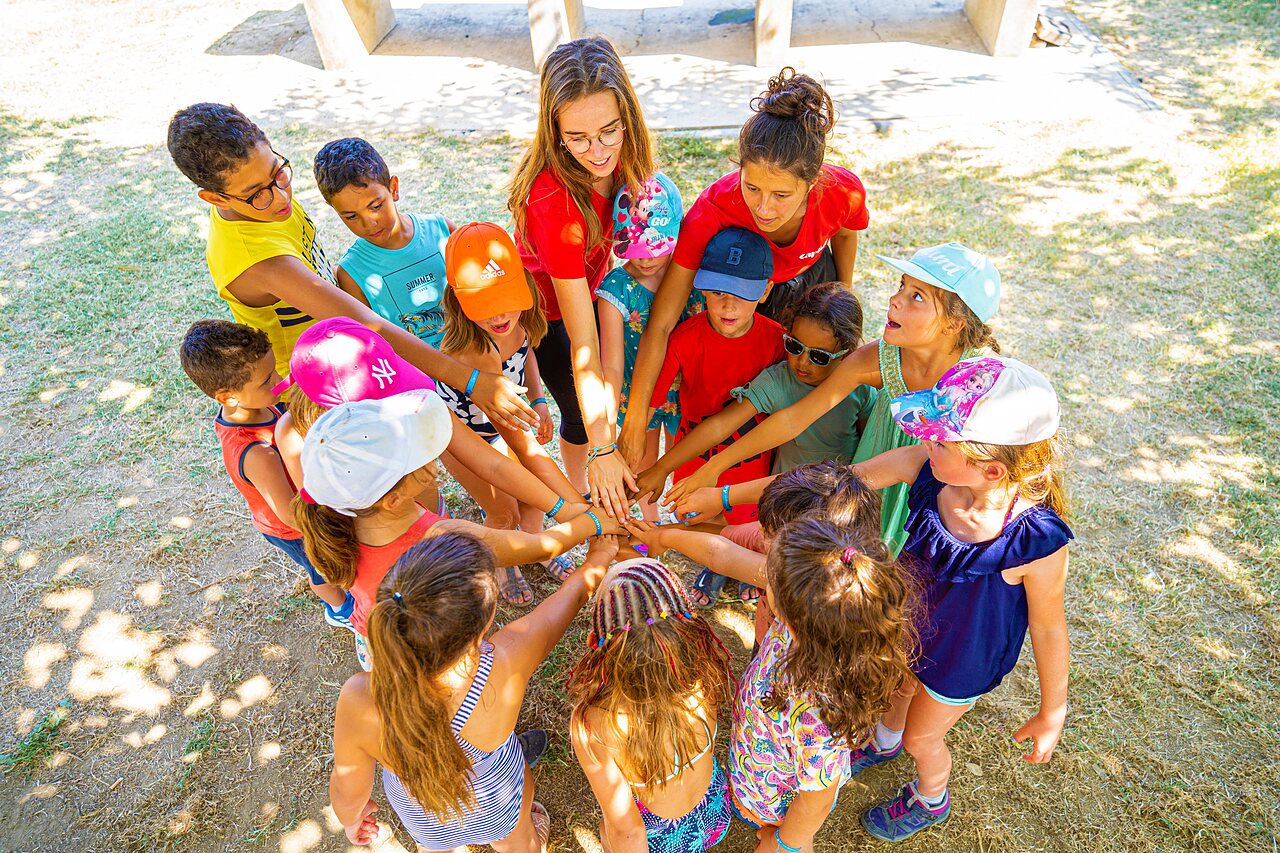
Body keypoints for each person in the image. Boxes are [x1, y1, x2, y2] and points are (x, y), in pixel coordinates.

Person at [166, 103, 536, 432]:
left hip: (345, 355)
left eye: (278, 174)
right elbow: (361, 318)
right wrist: (471, 381)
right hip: (317, 386)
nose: (282, 197)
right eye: (259, 193)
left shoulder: (264, 202)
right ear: (214, 198)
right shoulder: (255, 258)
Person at [847, 356, 1073, 841]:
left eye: (938, 439)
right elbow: (851, 478)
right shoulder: (929, 473)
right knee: (896, 688)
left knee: (922, 736)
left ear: (991, 470)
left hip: (962, 660)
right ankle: (883, 742)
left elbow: (1049, 627)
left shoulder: (1035, 541)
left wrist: (1052, 712)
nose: (924, 443)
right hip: (907, 626)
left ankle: (931, 796)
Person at [622, 478, 915, 853]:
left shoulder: (816, 713)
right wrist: (663, 538)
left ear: (793, 615)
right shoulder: (816, 609)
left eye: (770, 578)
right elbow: (722, 557)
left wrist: (784, 842)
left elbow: (816, 799)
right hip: (758, 767)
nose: (763, 575)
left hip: (777, 801)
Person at [663, 242, 1000, 555]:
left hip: (938, 492)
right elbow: (795, 418)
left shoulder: (980, 378)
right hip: (870, 483)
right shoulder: (880, 358)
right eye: (901, 286)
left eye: (918, 297)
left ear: (955, 324)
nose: (895, 300)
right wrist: (714, 469)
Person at [621, 68, 870, 470]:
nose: (763, 208)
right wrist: (635, 418)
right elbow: (663, 321)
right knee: (753, 401)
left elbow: (844, 234)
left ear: (813, 182)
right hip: (749, 289)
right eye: (751, 187)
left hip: (810, 284)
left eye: (781, 194)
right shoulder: (712, 210)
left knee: (815, 389)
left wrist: (842, 291)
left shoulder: (842, 192)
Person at [329, 530, 621, 850]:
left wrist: (352, 819)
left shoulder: (359, 698)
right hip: (497, 803)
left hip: (423, 819)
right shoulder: (506, 660)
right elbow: (571, 597)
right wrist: (601, 556)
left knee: (436, 844)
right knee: (519, 841)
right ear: (482, 626)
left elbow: (347, 788)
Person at [292, 389, 621, 669]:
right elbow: (539, 547)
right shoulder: (443, 537)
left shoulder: (338, 521)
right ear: (392, 499)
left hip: (380, 648)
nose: (431, 457)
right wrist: (591, 522)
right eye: (418, 455)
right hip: (439, 653)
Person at [270, 318, 590, 586]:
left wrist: (564, 510)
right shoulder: (297, 440)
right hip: (389, 560)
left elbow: (491, 464)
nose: (434, 467)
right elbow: (325, 519)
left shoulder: (403, 408)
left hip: (421, 513)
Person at [507, 36, 656, 515]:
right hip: (546, 313)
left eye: (610, 130)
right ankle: (590, 496)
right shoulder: (552, 204)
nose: (597, 152)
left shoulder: (627, 156)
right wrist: (602, 448)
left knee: (610, 396)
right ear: (554, 133)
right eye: (577, 139)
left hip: (595, 286)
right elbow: (582, 343)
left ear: (627, 117)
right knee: (578, 409)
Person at [634, 281, 872, 532]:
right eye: (794, 346)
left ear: (845, 353)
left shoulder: (861, 390)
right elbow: (720, 424)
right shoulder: (780, 380)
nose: (802, 362)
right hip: (785, 502)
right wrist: (662, 467)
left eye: (819, 357)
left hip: (840, 503)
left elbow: (869, 448)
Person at [436, 221, 579, 603]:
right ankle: (504, 560)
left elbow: (526, 354)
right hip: (469, 438)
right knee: (503, 510)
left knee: (533, 499)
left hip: (509, 422)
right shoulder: (476, 348)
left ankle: (532, 545)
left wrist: (537, 400)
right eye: (485, 306)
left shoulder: (522, 320)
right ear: (458, 301)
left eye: (506, 299)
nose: (500, 316)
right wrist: (570, 504)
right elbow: (510, 435)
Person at [177, 319, 352, 630]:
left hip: (306, 499)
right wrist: (339, 521)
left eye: (274, 369)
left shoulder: (261, 403)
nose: (280, 380)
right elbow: (292, 516)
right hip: (296, 527)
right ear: (227, 397)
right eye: (266, 379)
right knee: (323, 570)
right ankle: (341, 610)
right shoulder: (257, 453)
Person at [648, 228, 786, 604]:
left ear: (766, 290)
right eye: (718, 293)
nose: (729, 307)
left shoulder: (777, 341)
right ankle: (717, 563)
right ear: (701, 288)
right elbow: (653, 401)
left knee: (748, 514)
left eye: (742, 296)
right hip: (694, 447)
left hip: (750, 453)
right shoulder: (683, 338)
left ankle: (745, 563)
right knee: (695, 512)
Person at [566, 558, 735, 853]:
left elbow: (627, 830)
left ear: (598, 641)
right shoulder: (702, 677)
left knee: (608, 829)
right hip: (715, 814)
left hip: (659, 840)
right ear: (685, 629)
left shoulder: (593, 725)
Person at [597, 173, 704, 522]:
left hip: (683, 393)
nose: (644, 260)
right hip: (635, 395)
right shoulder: (616, 288)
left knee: (682, 461)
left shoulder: (692, 277)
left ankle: (685, 518)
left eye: (653, 249)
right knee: (641, 465)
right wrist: (610, 423)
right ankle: (648, 521)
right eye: (635, 250)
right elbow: (610, 365)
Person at [313, 137, 453, 350]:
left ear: (393, 188)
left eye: (376, 206)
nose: (369, 223)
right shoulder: (351, 273)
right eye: (351, 216)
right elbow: (370, 344)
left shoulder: (443, 231)